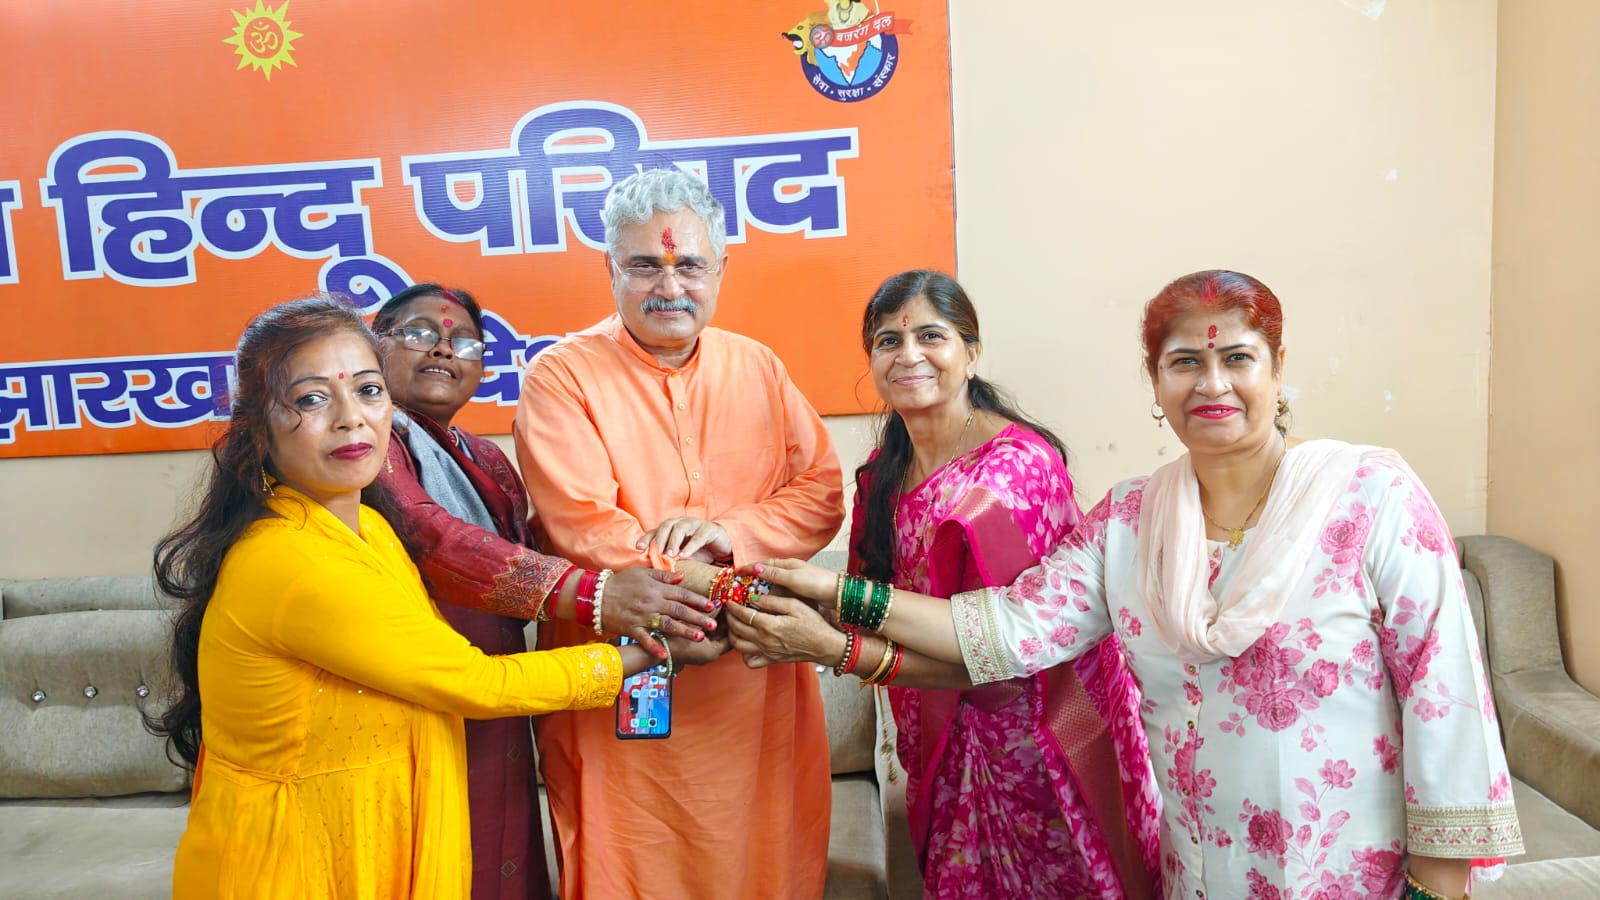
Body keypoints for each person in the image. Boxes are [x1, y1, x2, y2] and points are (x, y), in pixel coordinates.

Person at [751, 270, 1523, 900]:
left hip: (1348, 876)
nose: (1212, 383)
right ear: (1155, 384)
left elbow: (1445, 699)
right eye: (1184, 362)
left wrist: (1436, 890)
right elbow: (1006, 629)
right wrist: (827, 594)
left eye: (1238, 358)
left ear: (1277, 368)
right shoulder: (1130, 522)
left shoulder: (1372, 498)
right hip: (1199, 874)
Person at [151, 296, 723, 900]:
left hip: (380, 814)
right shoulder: (293, 559)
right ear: (255, 428)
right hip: (300, 853)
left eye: (367, 391)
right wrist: (645, 647)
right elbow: (475, 676)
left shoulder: (374, 526)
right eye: (312, 399)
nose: (351, 418)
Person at [725, 270, 1162, 898]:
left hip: (1041, 749)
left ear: (971, 352)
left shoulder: (1010, 476)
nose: (909, 355)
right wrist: (772, 601)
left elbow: (999, 666)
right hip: (944, 738)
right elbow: (872, 602)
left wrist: (832, 648)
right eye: (888, 341)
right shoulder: (884, 474)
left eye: (931, 336)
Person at [513, 168, 845, 899]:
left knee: (764, 860)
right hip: (626, 672)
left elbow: (821, 493)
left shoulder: (757, 366)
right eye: (645, 265)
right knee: (628, 866)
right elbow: (584, 527)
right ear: (609, 268)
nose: (670, 287)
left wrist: (730, 534)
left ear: (720, 269)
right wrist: (725, 589)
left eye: (690, 265)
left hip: (753, 682)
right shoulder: (561, 376)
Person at [370, 283, 723, 900]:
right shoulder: (366, 443)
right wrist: (599, 594)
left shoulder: (486, 458)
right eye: (420, 333)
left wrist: (667, 569)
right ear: (374, 347)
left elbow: (536, 548)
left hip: (504, 696)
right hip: (421, 696)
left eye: (464, 342)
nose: (444, 350)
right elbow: (434, 538)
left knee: (503, 853)